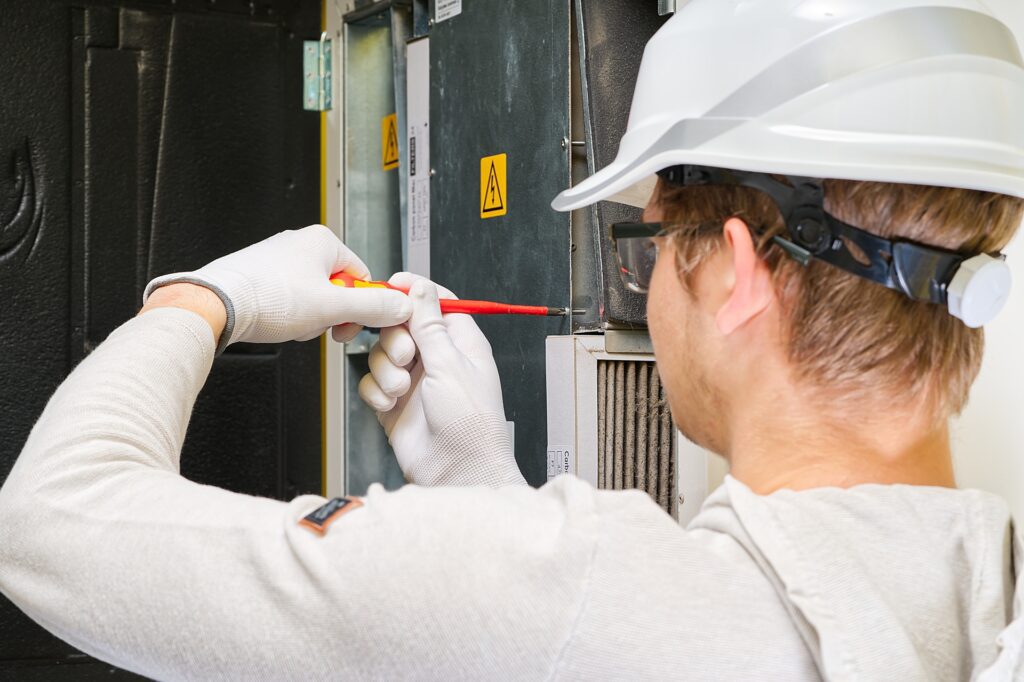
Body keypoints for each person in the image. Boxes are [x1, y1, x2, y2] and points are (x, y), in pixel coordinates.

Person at [1, 0, 1023, 679]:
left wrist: (208, 299)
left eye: (653, 240)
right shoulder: (992, 590)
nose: (648, 279)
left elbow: (48, 525)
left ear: (735, 269)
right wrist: (478, 484)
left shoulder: (582, 579)